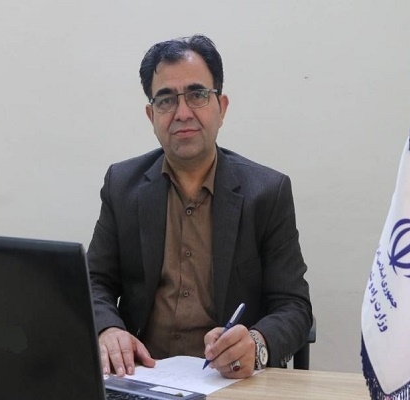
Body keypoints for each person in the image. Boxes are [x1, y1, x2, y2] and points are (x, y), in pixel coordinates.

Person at [87, 34, 312, 380]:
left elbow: (294, 306)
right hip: (142, 377)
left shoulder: (267, 192)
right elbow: (94, 281)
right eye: (166, 100)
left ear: (221, 108)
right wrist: (108, 328)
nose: (182, 113)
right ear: (151, 115)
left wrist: (256, 343)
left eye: (197, 95)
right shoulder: (122, 185)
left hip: (230, 382)